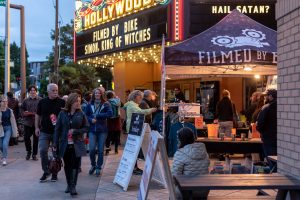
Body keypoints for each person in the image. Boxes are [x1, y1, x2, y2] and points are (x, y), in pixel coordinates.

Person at [53, 93, 89, 196]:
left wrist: (75, 131)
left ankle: (73, 186)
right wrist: (55, 143)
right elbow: (57, 129)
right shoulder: (62, 113)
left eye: (79, 101)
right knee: (67, 166)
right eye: (76, 101)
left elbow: (86, 127)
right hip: (64, 144)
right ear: (71, 102)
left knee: (75, 166)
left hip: (77, 144)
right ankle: (69, 184)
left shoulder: (81, 114)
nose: (78, 103)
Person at [35, 83, 65, 182]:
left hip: (57, 133)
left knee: (55, 153)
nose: (55, 92)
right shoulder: (42, 102)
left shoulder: (62, 102)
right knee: (43, 150)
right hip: (44, 131)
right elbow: (37, 115)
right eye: (53, 90)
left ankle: (54, 173)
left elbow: (66, 115)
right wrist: (36, 127)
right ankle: (46, 171)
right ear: (48, 92)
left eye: (56, 90)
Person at [123, 90, 157, 174]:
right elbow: (140, 112)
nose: (141, 98)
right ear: (135, 97)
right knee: (134, 149)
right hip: (134, 128)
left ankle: (133, 167)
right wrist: (151, 110)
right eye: (140, 97)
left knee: (133, 149)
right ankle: (134, 168)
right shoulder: (132, 105)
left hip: (133, 128)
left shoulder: (132, 104)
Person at [171, 127, 210, 200]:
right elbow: (207, 165)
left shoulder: (180, 153)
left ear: (180, 139)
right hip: (204, 190)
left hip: (187, 191)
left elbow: (174, 176)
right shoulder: (203, 151)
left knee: (171, 189)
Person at [85, 87, 113, 176]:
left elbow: (110, 114)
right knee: (92, 149)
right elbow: (86, 115)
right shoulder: (89, 104)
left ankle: (98, 167)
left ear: (102, 95)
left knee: (101, 150)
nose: (97, 95)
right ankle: (93, 165)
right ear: (93, 95)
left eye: (99, 93)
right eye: (96, 93)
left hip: (102, 130)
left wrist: (98, 115)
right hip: (92, 130)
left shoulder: (106, 104)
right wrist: (90, 120)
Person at [256, 89, 277, 169]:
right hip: (281, 139)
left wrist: (261, 132)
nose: (265, 98)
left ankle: (275, 179)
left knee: (272, 162)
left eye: (267, 96)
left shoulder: (267, 107)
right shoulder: (283, 106)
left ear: (271, 96)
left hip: (268, 138)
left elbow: (260, 123)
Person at [21, 85, 42, 161]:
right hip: (27, 122)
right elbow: (22, 110)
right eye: (31, 91)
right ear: (29, 92)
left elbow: (42, 111)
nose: (33, 92)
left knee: (36, 139)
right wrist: (24, 113)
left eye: (34, 90)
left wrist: (33, 114)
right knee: (26, 137)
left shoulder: (40, 100)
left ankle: (34, 154)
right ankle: (29, 152)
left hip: (37, 123)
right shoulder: (25, 100)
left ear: (36, 91)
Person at [0, 95, 18, 166]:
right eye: (3, 101)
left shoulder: (10, 111)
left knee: (5, 144)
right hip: (0, 129)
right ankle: (4, 154)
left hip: (8, 128)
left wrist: (16, 131)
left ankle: (4, 158)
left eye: (6, 101)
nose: (5, 103)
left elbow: (13, 122)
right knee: (0, 145)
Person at [105, 91, 122, 155]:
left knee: (109, 135)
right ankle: (116, 150)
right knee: (117, 135)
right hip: (117, 119)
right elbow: (122, 105)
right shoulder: (118, 101)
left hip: (109, 119)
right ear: (113, 95)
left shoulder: (106, 102)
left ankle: (107, 150)